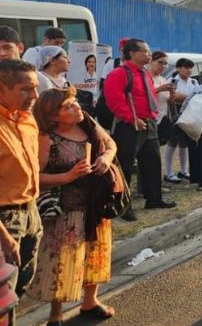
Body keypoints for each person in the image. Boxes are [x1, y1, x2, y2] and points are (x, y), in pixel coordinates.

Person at [28, 87, 117, 325]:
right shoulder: (46, 137)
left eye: (75, 101)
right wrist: (67, 177)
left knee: (93, 254)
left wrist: (105, 160)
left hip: (95, 205)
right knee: (60, 261)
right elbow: (34, 177)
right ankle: (55, 314)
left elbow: (110, 144)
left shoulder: (86, 122)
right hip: (65, 210)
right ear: (53, 116)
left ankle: (90, 301)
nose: (77, 107)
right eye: (68, 106)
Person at [104, 38, 176, 221]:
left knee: (152, 162)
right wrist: (132, 118)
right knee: (125, 167)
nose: (149, 54)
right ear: (132, 53)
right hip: (129, 125)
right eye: (144, 51)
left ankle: (154, 198)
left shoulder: (144, 73)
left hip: (149, 122)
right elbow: (115, 101)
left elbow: (149, 95)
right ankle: (123, 205)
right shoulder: (119, 74)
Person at [0, 59, 41, 326]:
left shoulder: (26, 119)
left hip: (30, 212)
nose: (34, 96)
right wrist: (3, 237)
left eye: (35, 88)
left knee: (21, 284)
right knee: (2, 297)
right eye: (26, 89)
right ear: (2, 89)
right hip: (5, 220)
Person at [163, 58, 199, 183]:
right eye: (186, 67)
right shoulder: (172, 81)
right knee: (172, 142)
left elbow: (197, 96)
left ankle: (184, 171)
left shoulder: (194, 82)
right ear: (178, 68)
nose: (189, 70)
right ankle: (169, 173)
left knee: (185, 143)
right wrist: (189, 97)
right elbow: (172, 98)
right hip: (175, 114)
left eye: (190, 68)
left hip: (189, 114)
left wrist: (183, 97)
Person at [148, 51, 176, 147]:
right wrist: (160, 89)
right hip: (149, 119)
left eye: (165, 63)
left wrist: (172, 93)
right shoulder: (146, 77)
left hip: (161, 119)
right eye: (160, 62)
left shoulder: (163, 79)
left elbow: (170, 102)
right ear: (151, 61)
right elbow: (143, 95)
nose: (163, 66)